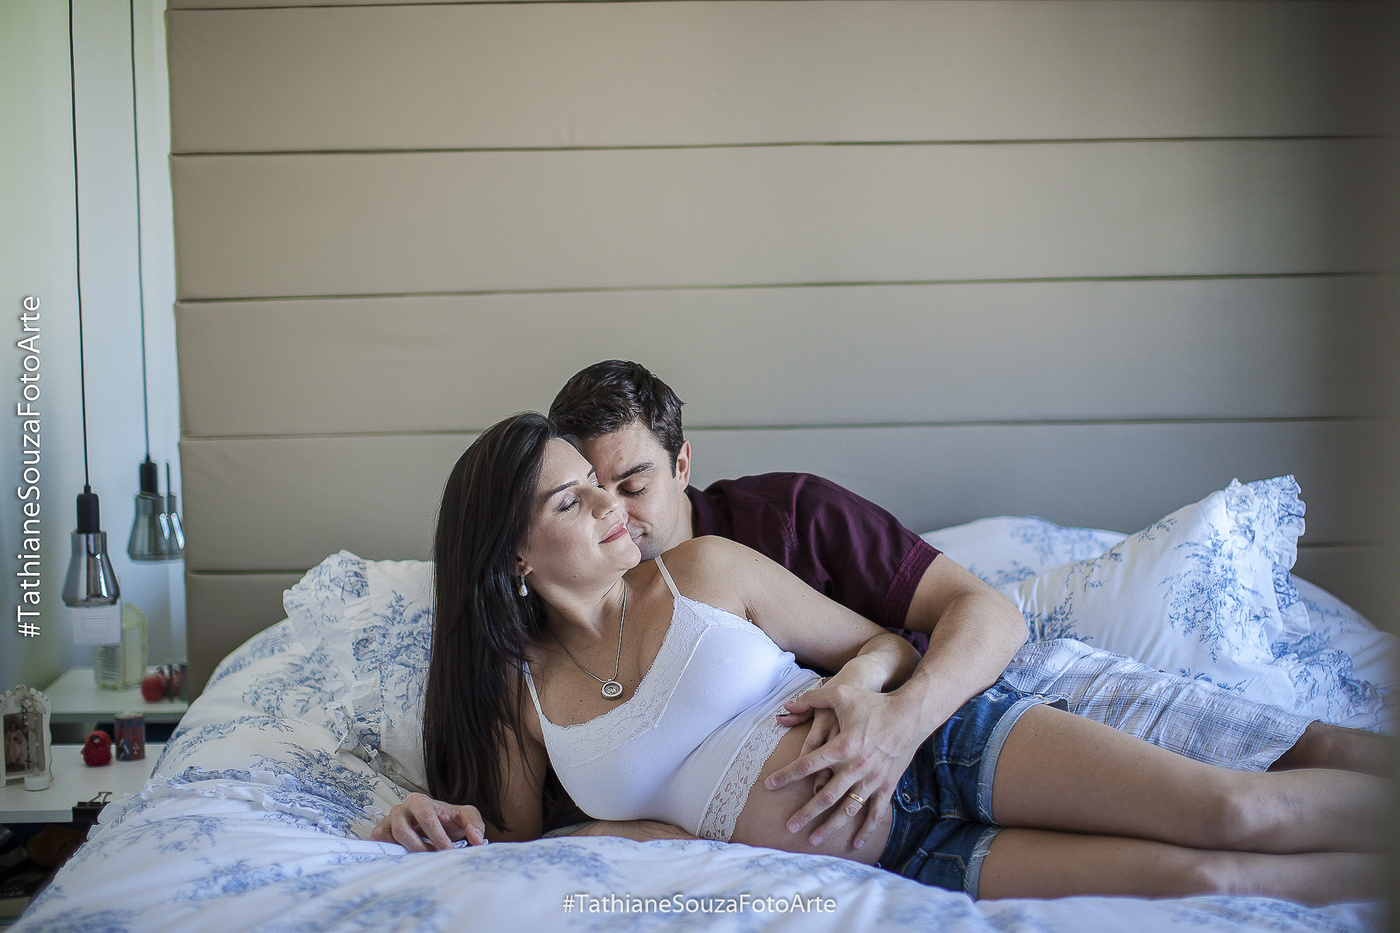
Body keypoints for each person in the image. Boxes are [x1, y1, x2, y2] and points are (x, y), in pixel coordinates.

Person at [371, 413, 1386, 903]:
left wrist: (866, 701)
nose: (610, 503)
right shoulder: (521, 697)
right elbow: (519, 847)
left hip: (937, 745)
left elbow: (876, 639)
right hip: (899, 859)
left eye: (606, 483)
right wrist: (422, 813)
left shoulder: (705, 570)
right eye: (571, 497)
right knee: (1206, 879)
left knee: (1237, 811)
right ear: (511, 555)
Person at [545, 360, 1387, 837]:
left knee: (1283, 760)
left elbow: (987, 611)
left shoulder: (789, 515)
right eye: (587, 494)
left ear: (683, 463)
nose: (613, 515)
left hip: (996, 694)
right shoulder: (577, 633)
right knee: (1220, 840)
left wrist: (900, 718)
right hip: (909, 818)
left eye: (635, 483)